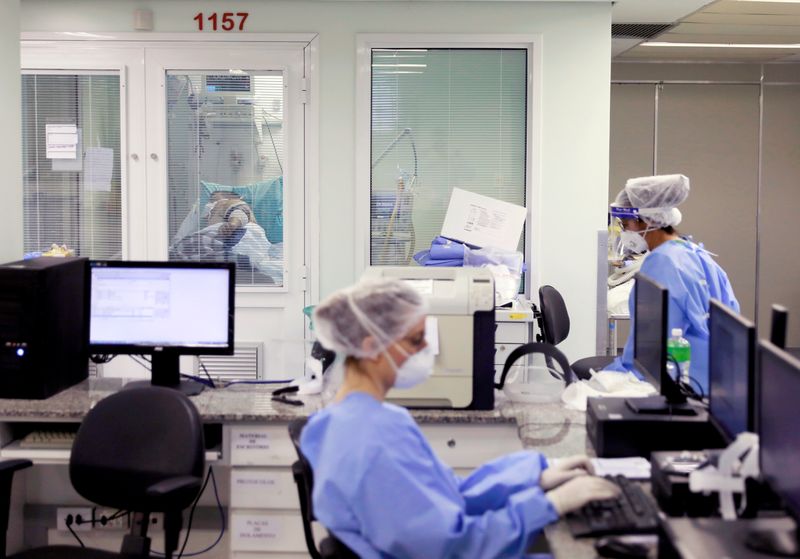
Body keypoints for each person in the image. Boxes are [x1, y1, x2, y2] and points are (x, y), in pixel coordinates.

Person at [300, 278, 620, 558]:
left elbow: (448, 494)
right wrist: (549, 505)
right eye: (415, 340)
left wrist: (535, 477)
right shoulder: (371, 439)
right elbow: (452, 545)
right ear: (371, 347)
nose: (428, 347)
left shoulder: (348, 419)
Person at [606, 173, 740, 394]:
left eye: (625, 223)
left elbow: (653, 345)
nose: (624, 231)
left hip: (680, 380)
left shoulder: (661, 263)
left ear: (646, 220)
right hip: (718, 376)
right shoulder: (695, 253)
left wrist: (616, 375)